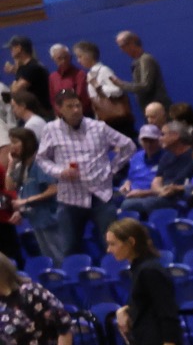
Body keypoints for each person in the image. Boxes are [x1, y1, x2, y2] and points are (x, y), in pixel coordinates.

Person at [41, 89, 135, 258]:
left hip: (100, 195)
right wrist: (60, 171)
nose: (76, 110)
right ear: (59, 109)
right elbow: (42, 159)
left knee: (112, 245)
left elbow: (129, 146)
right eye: (70, 106)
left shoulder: (98, 127)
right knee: (69, 248)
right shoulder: (50, 129)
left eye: (78, 105)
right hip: (70, 198)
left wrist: (111, 169)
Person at [7, 128, 61, 258]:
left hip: (51, 219)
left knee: (58, 256)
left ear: (27, 143)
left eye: (15, 142)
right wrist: (11, 165)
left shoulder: (39, 163)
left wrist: (26, 201)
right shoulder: (23, 166)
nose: (12, 146)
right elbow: (9, 187)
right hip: (36, 219)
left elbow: (54, 189)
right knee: (48, 257)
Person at [75, 41, 132, 136]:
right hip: (104, 118)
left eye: (80, 56)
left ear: (88, 56)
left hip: (115, 119)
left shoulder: (104, 70)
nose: (78, 61)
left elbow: (118, 90)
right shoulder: (91, 73)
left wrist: (99, 87)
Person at [113, 31, 168, 114]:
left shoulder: (145, 60)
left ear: (132, 43)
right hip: (151, 109)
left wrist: (121, 84)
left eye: (123, 46)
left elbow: (145, 86)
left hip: (158, 110)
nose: (122, 51)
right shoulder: (138, 61)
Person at [120, 124, 163, 205]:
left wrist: (143, 193)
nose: (149, 144)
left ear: (159, 141)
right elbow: (130, 178)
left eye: (152, 141)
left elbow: (166, 188)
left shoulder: (166, 158)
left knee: (128, 205)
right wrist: (127, 184)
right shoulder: (136, 157)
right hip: (131, 195)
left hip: (152, 197)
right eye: (145, 141)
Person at [6, 36, 50, 111]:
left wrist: (13, 86)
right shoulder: (24, 68)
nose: (11, 51)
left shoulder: (32, 67)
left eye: (12, 48)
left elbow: (15, 91)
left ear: (19, 48)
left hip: (41, 112)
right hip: (33, 111)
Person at [45, 45, 88, 112]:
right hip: (61, 116)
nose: (63, 61)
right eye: (59, 58)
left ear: (70, 57)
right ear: (53, 59)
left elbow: (81, 96)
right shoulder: (53, 77)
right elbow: (53, 99)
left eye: (66, 57)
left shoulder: (79, 74)